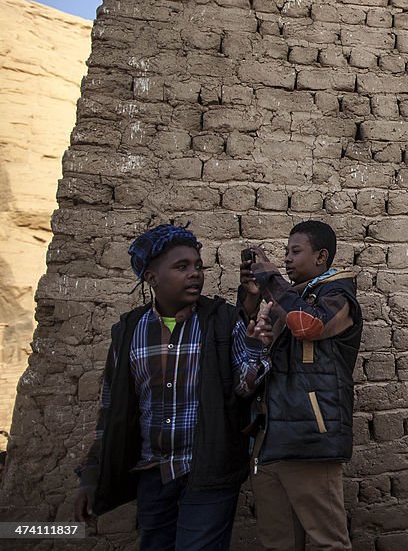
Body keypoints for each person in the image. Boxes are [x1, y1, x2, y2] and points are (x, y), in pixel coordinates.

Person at [75, 224, 270, 549]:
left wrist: (254, 348)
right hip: (153, 474)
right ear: (152, 278)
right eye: (182, 267)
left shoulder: (219, 319)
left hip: (208, 474)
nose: (194, 274)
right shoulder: (129, 332)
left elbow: (242, 387)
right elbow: (111, 410)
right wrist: (92, 473)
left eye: (198, 266)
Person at [239, 220, 362, 551]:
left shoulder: (338, 296)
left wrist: (272, 281)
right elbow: (250, 347)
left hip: (310, 440)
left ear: (321, 257)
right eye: (285, 253)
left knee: (327, 542)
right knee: (277, 543)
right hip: (270, 439)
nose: (288, 259)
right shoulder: (291, 297)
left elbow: (310, 325)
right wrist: (252, 297)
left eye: (296, 251)